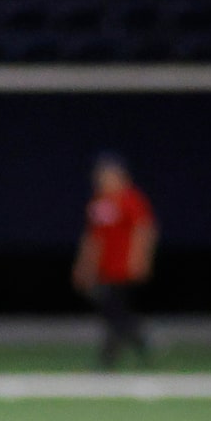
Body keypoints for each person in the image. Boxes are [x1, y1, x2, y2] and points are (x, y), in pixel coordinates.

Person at [75, 154, 157, 368]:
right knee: (113, 314)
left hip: (124, 268)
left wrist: (139, 259)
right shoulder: (98, 202)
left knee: (116, 313)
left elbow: (144, 230)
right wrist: (85, 267)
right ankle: (141, 344)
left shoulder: (131, 199)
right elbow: (94, 238)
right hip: (105, 269)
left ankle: (109, 359)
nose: (102, 180)